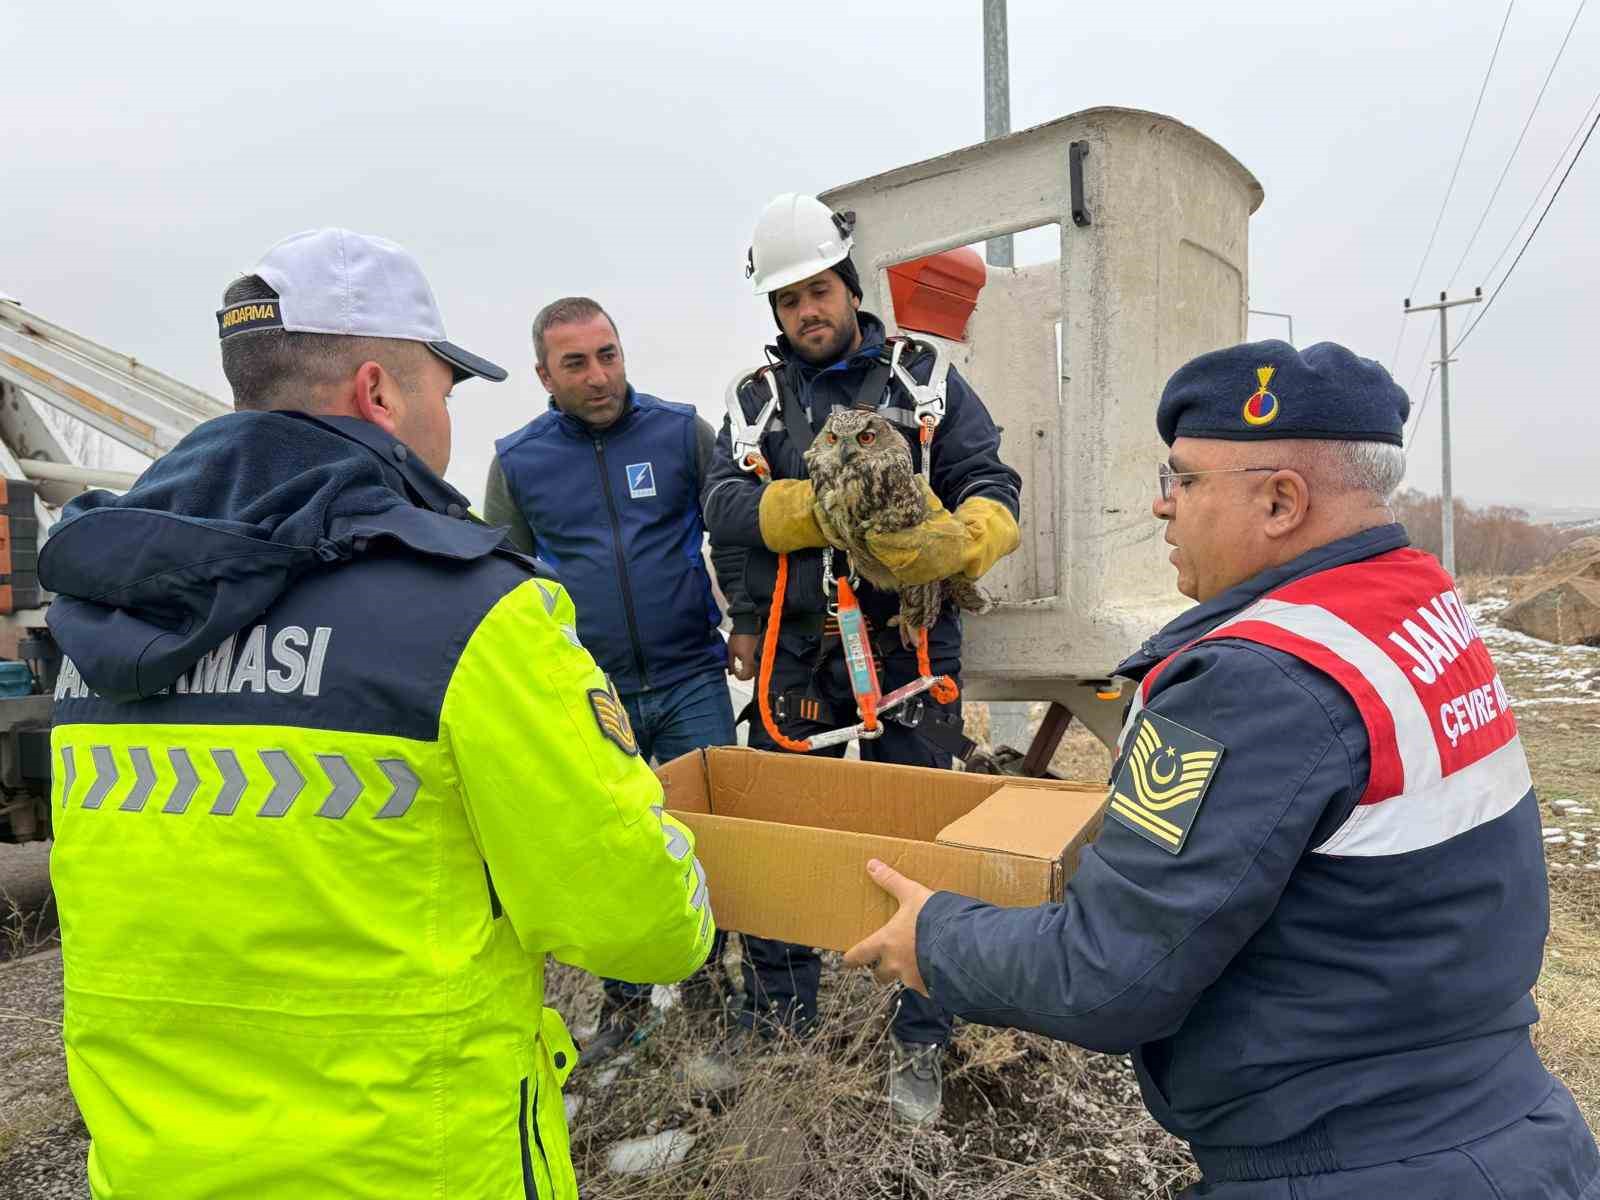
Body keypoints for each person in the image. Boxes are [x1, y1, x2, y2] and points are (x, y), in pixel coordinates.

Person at [41, 228, 715, 1200]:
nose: (446, 421)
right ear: (378, 394)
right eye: (444, 391)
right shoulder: (473, 616)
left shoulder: (104, 617)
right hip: (412, 1167)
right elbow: (641, 924)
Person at [845, 339, 1600, 1196]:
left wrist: (934, 938)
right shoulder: (1414, 606)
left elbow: (1110, 973)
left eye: (1186, 480)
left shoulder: (1258, 677)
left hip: (1357, 1163)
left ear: (1281, 501)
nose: (1163, 508)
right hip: (1491, 1120)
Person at [701, 193, 1022, 1124]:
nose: (808, 310)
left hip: (908, 649)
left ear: (849, 283)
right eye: (789, 298)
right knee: (778, 842)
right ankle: (781, 1022)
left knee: (922, 841)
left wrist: (964, 542)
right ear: (773, 310)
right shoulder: (754, 405)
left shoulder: (927, 379)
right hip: (794, 657)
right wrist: (814, 510)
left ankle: (921, 1039)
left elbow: (990, 481)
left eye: (820, 290)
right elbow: (723, 504)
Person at [484, 295, 739, 1059]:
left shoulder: (679, 433)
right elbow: (504, 583)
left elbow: (733, 533)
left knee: (709, 838)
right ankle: (625, 1010)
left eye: (608, 355)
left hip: (692, 672)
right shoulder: (519, 461)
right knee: (609, 847)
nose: (599, 377)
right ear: (543, 375)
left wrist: (748, 626)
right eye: (576, 364)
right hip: (592, 694)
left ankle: (708, 994)